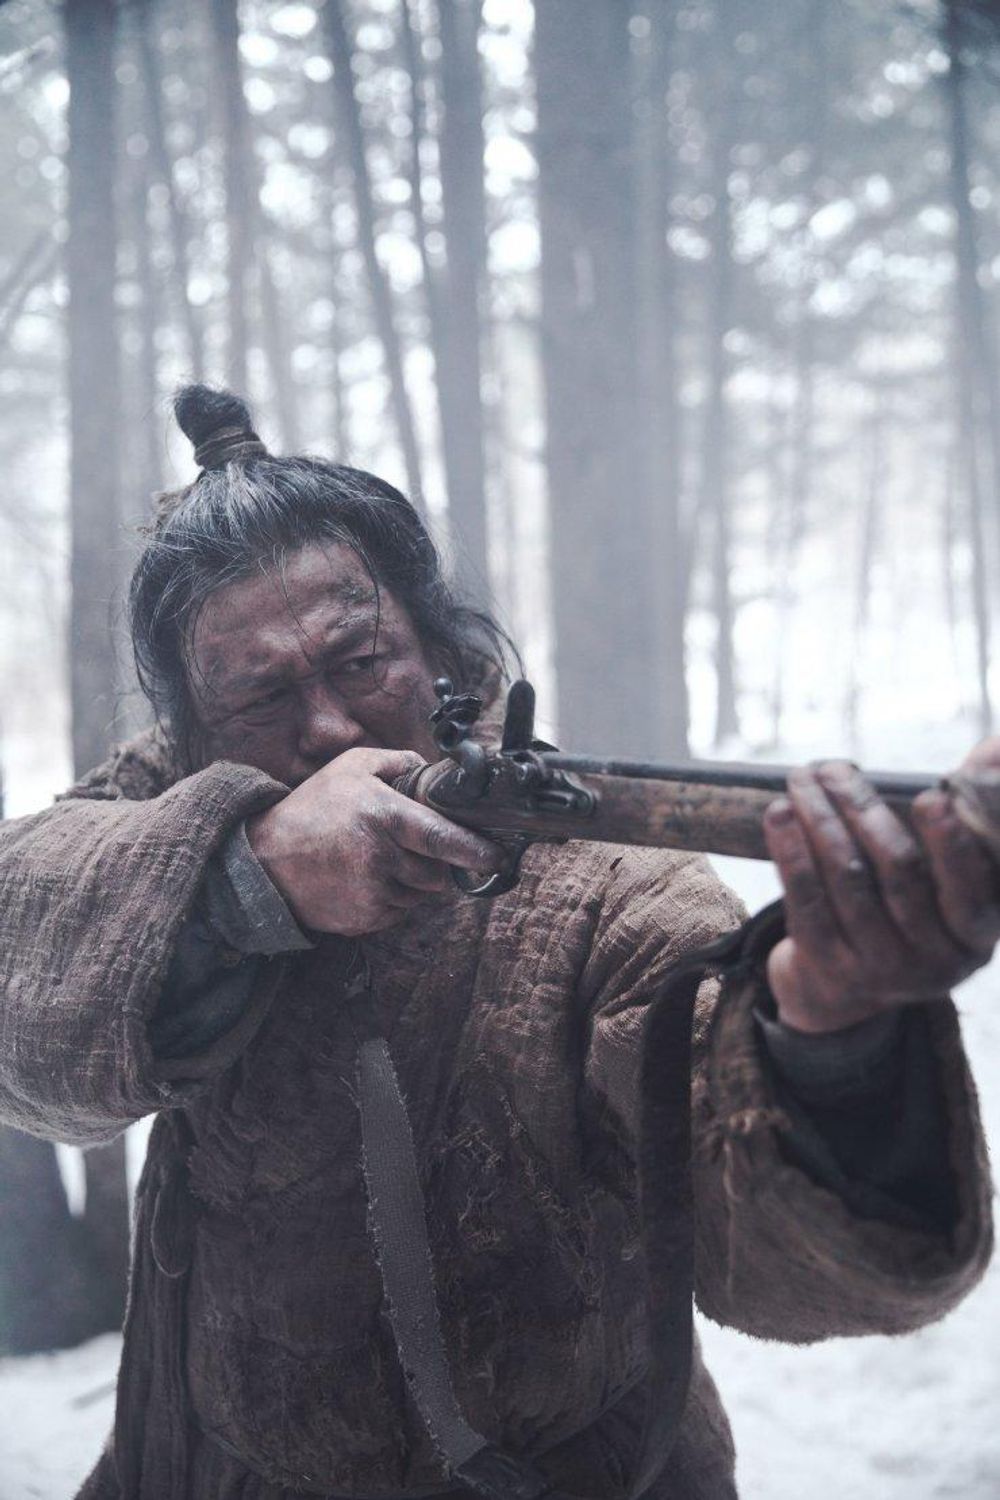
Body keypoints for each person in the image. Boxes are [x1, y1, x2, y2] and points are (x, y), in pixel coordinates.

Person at [0, 385, 993, 1500]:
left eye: (359, 660)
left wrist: (831, 1031)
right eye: (262, 695)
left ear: (435, 648)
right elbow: (25, 982)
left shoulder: (609, 891)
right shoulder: (162, 818)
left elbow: (793, 1259)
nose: (327, 726)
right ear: (193, 728)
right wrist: (247, 879)